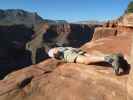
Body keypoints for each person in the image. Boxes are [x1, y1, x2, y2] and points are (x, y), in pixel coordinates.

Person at [48, 47, 126, 75]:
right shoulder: (58, 48)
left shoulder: (51, 52)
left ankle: (108, 59)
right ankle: (114, 56)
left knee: (85, 61)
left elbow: (54, 51)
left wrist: (56, 55)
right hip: (72, 49)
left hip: (66, 53)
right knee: (92, 57)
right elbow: (56, 49)